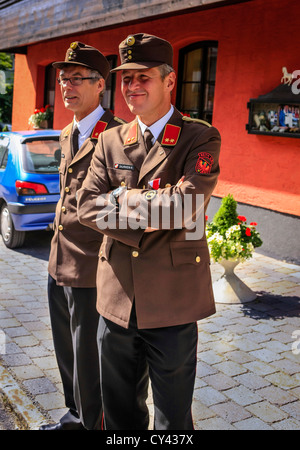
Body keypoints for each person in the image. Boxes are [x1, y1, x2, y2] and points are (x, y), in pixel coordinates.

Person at [77, 33, 221, 430]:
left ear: (170, 81)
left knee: (174, 418)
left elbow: (186, 206)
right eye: (126, 78)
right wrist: (152, 210)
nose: (132, 87)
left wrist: (119, 200)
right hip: (116, 299)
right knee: (121, 414)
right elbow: (85, 206)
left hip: (173, 302)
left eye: (144, 77)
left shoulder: (199, 137)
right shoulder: (108, 140)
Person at [40, 42, 125, 431]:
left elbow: (120, 206)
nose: (66, 86)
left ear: (99, 86)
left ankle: (97, 426)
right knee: (67, 349)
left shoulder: (119, 136)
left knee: (90, 356)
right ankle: (75, 414)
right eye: (62, 79)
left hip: (93, 265)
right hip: (59, 259)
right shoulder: (66, 132)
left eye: (77, 79)